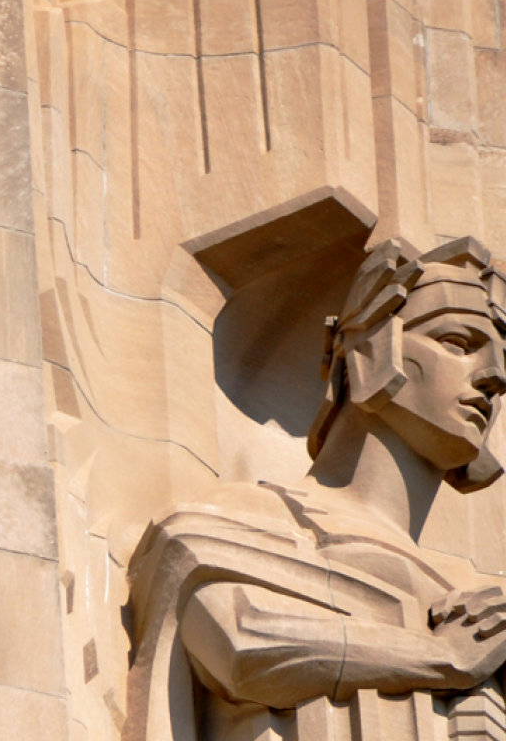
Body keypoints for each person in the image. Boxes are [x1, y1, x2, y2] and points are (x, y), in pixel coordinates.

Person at [127, 237, 506, 741]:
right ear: (370, 351)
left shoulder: (466, 599)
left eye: (503, 361)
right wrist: (442, 658)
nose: (494, 378)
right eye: (458, 344)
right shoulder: (246, 517)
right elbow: (241, 644)